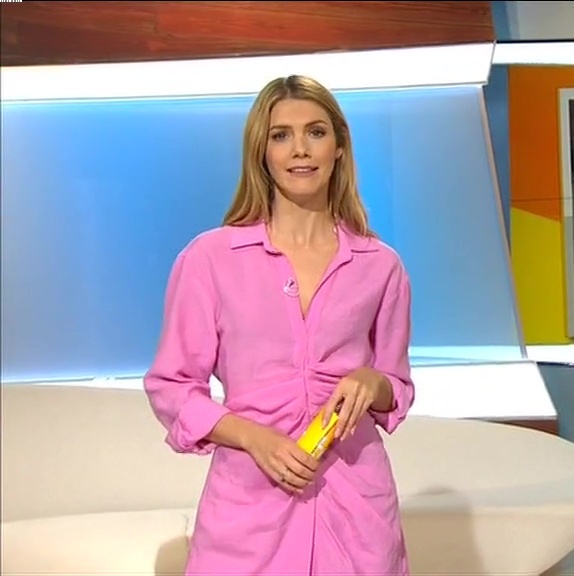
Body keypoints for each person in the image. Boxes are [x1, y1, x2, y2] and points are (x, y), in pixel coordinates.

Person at [143, 75, 415, 575]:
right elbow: (172, 387)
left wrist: (371, 382)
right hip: (249, 508)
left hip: (356, 505)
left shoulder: (381, 266)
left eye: (316, 132)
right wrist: (255, 439)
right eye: (281, 135)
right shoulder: (210, 259)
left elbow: (396, 386)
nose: (300, 150)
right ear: (262, 152)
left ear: (339, 146)